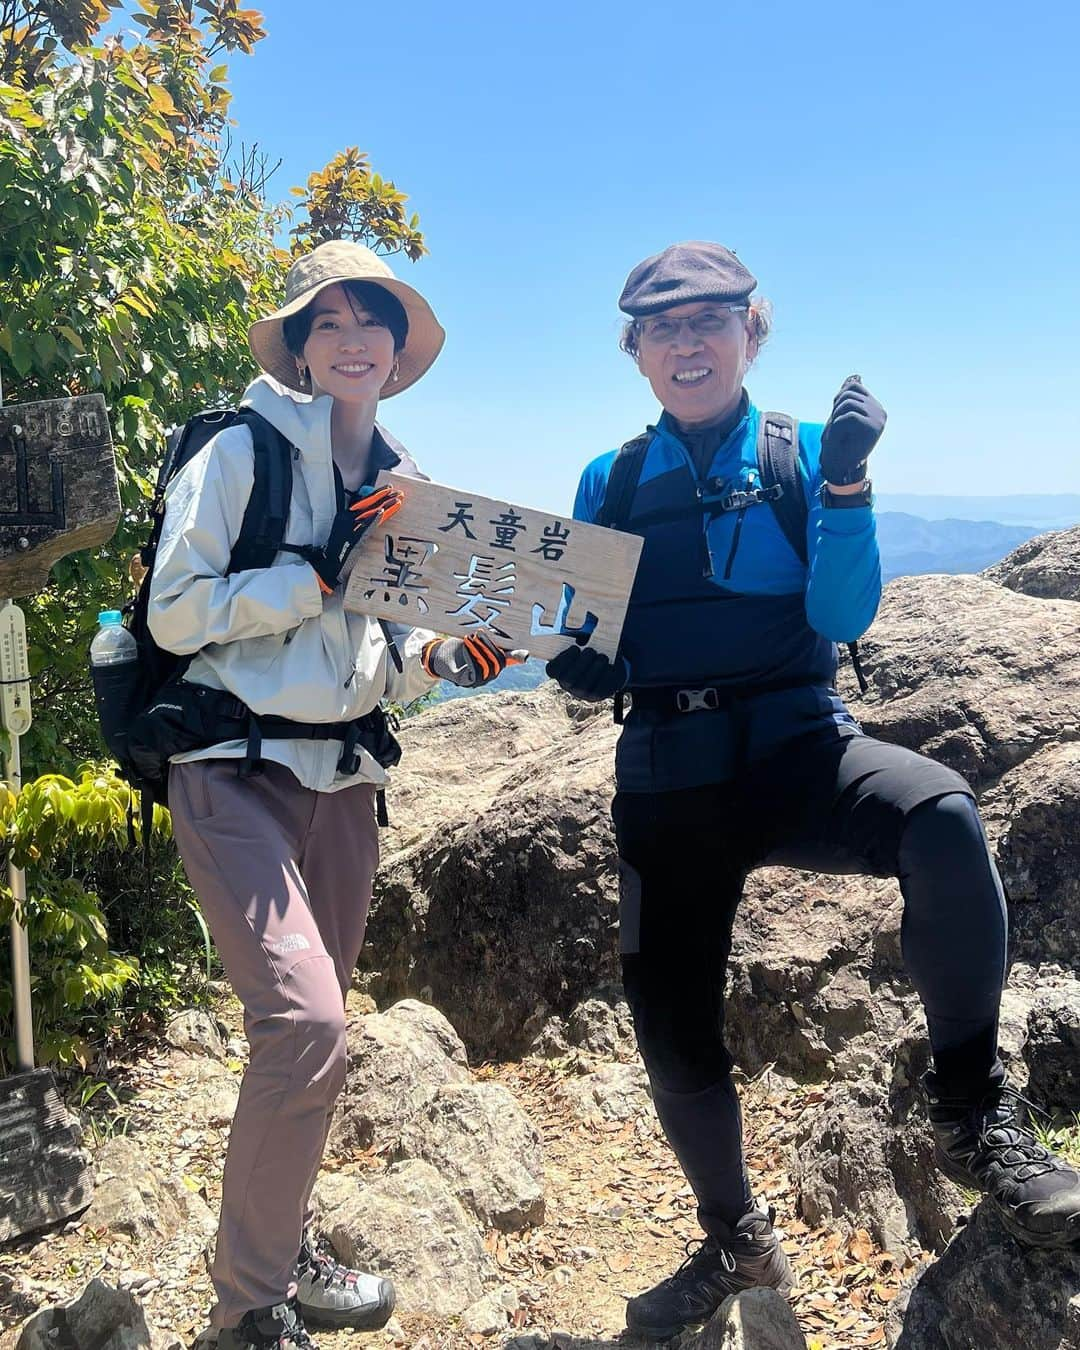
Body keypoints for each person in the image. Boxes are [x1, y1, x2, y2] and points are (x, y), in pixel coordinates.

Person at [547, 241, 1080, 1340]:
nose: (687, 343)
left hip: (798, 751)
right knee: (668, 1019)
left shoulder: (797, 458)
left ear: (755, 329)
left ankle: (974, 1115)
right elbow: (584, 630)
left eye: (711, 320)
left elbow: (842, 617)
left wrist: (847, 484)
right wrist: (584, 656)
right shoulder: (611, 480)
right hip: (669, 773)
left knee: (938, 813)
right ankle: (733, 1230)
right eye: (663, 327)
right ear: (635, 350)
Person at [149, 241, 513, 1350]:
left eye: (376, 322)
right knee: (303, 1025)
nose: (354, 340)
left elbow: (385, 658)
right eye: (330, 322)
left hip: (344, 781)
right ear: (302, 347)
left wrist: (446, 664)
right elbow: (174, 611)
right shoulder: (239, 449)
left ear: (398, 351)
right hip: (233, 771)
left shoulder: (409, 478)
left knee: (316, 1033)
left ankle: (281, 1247)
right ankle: (246, 1312)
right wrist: (300, 584)